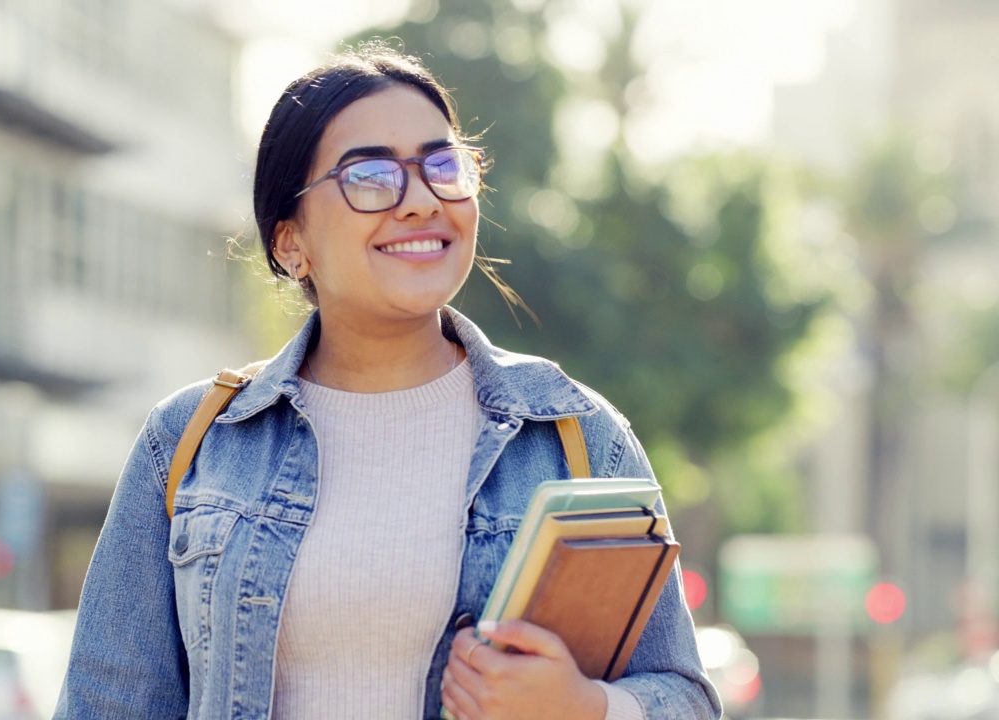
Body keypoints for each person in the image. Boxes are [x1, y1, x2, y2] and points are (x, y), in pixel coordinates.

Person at [55, 44, 721, 720]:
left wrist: (584, 708)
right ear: (291, 242)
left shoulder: (575, 435)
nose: (420, 202)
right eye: (370, 176)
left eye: (442, 165)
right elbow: (106, 705)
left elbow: (686, 697)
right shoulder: (192, 440)